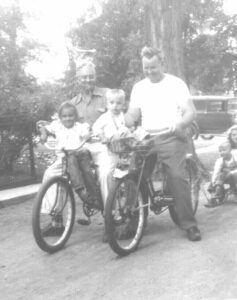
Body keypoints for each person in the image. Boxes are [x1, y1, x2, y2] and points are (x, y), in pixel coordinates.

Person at [127, 46, 201, 242]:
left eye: (153, 67)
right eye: (146, 67)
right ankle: (133, 224)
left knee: (177, 176)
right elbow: (133, 114)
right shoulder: (139, 87)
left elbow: (190, 111)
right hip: (147, 137)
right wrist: (126, 120)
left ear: (162, 63)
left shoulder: (176, 84)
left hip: (170, 136)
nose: (150, 71)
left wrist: (180, 124)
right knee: (134, 175)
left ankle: (189, 224)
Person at [39, 102, 100, 235]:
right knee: (49, 175)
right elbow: (44, 128)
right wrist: (43, 134)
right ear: (60, 117)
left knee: (85, 175)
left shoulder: (79, 127)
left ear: (75, 116)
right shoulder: (57, 126)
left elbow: (87, 134)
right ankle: (55, 214)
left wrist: (87, 136)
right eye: (64, 116)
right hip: (62, 159)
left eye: (71, 116)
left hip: (77, 157)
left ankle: (91, 198)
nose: (68, 119)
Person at [206, 141, 237, 207]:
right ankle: (216, 195)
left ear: (230, 150)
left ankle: (235, 193)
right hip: (225, 177)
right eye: (220, 151)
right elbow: (216, 171)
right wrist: (213, 181)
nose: (222, 152)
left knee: (229, 175)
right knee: (218, 175)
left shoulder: (235, 157)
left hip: (235, 174)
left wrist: (231, 172)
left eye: (224, 150)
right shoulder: (220, 160)